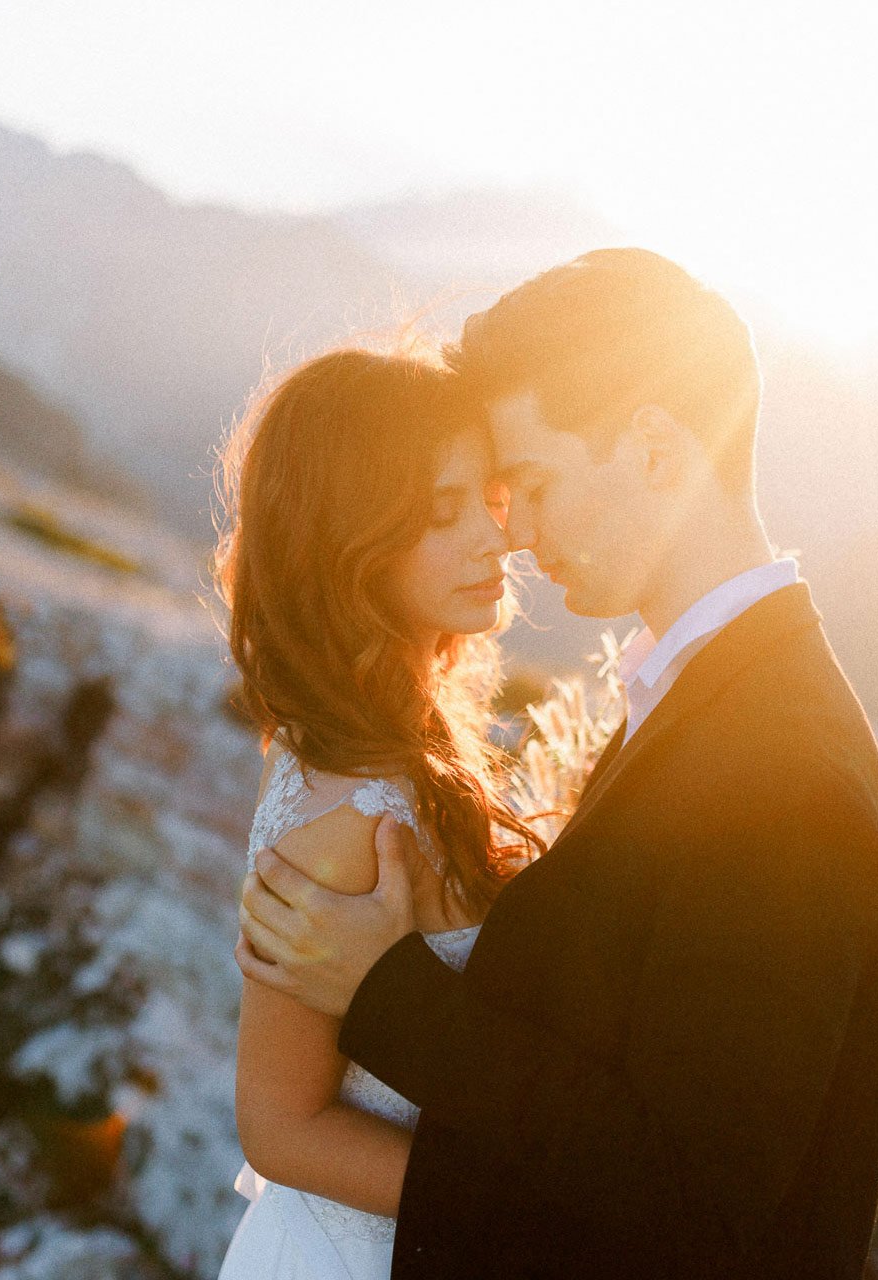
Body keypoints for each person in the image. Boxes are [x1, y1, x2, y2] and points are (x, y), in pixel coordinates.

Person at [236, 248, 878, 1278]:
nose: (515, 536)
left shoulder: (780, 771)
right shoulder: (707, 697)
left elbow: (690, 1206)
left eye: (533, 487)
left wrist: (390, 994)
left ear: (653, 450)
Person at [212, 344, 548, 1279]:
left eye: (489, 497)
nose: (493, 538)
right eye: (442, 513)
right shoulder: (350, 815)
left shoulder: (407, 741)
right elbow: (279, 1125)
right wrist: (531, 1207)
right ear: (349, 546)